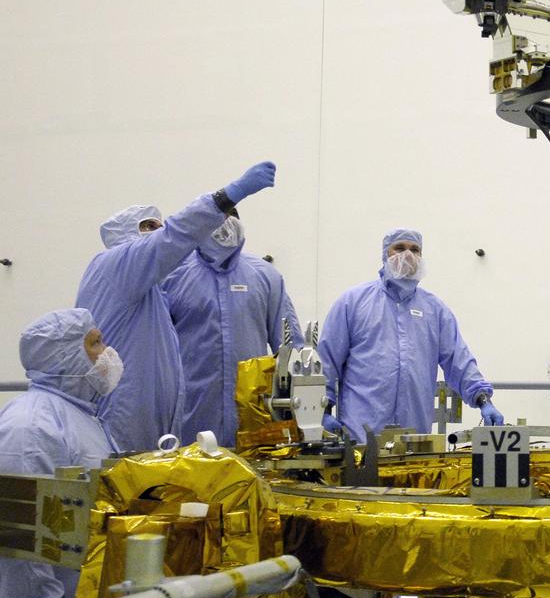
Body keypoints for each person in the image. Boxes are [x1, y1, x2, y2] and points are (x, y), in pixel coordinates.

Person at [75, 162, 277, 453]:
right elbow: (177, 233)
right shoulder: (119, 264)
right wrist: (228, 195)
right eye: (148, 226)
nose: (156, 232)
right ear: (122, 233)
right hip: (125, 418)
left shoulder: (149, 288)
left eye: (158, 225)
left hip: (151, 422)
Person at [318, 228, 503, 443]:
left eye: (415, 250)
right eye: (399, 248)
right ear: (385, 255)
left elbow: (458, 360)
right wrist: (322, 410)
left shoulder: (435, 310)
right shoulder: (353, 303)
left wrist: (483, 400)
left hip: (415, 439)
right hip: (360, 437)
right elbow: (327, 361)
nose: (407, 255)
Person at [0, 309, 118, 598]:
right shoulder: (31, 424)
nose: (106, 352)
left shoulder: (80, 414)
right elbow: (17, 528)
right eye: (95, 343)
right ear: (66, 356)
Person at [162, 209, 301, 446]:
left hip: (253, 419)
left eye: (229, 216)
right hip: (192, 417)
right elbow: (159, 352)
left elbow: (290, 350)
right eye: (215, 217)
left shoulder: (266, 277)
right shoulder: (173, 276)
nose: (224, 224)